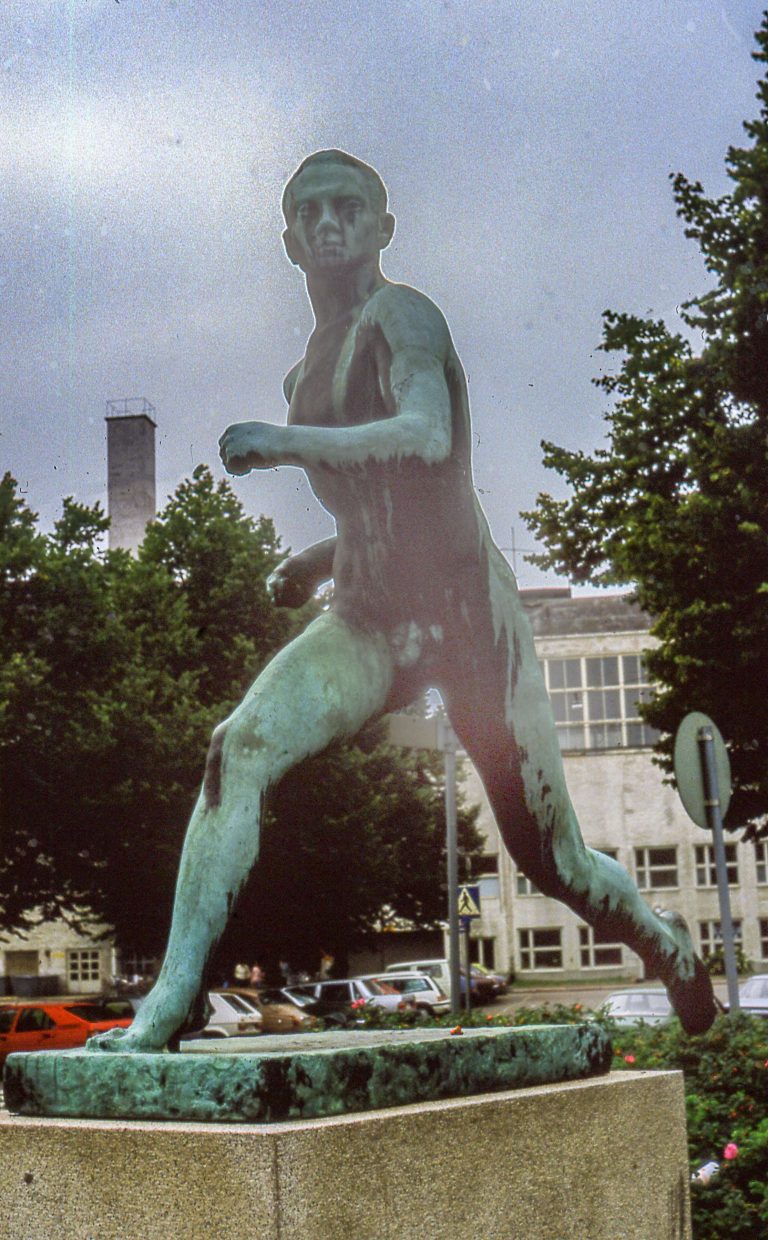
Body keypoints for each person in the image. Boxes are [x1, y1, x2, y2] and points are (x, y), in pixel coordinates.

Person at [88, 149, 717, 1054]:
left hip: (470, 625)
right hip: (369, 621)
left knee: (554, 861)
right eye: (311, 212)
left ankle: (664, 943)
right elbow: (380, 513)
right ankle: (174, 999)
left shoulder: (403, 316)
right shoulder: (304, 374)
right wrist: (315, 564)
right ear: (290, 241)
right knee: (238, 748)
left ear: (384, 229)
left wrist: (280, 442)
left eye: (350, 207)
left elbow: (426, 441)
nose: (331, 222)